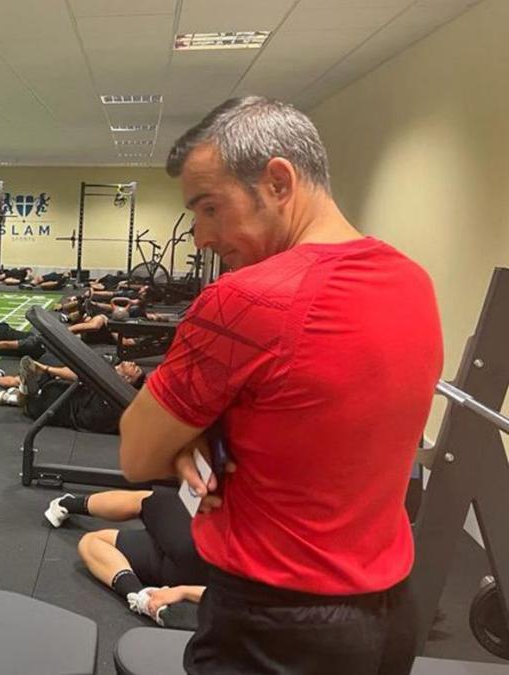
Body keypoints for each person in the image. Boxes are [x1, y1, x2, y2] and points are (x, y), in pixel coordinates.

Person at [119, 96, 442, 673]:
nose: (200, 236)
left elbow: (138, 452)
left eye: (210, 208)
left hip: (276, 628)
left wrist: (190, 440)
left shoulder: (245, 299)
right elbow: (310, 423)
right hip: (388, 615)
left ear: (277, 181)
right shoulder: (412, 281)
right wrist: (210, 440)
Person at [44, 489, 208, 630]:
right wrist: (183, 591)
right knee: (91, 541)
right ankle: (143, 598)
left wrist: (183, 591)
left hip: (195, 549)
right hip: (189, 576)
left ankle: (66, 504)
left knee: (148, 499)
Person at [0, 356, 145, 434]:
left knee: (35, 399)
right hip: (66, 395)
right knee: (30, 384)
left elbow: (79, 374)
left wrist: (45, 368)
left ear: (126, 379)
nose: (133, 363)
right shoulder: (108, 371)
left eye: (135, 369)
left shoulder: (114, 390)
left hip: (60, 407)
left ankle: (15, 394)